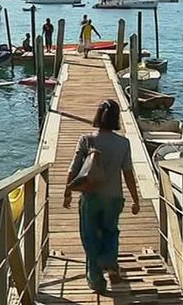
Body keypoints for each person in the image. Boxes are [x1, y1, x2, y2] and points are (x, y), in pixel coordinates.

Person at [63, 99, 139, 293]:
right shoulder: (124, 143)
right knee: (111, 231)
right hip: (114, 198)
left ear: (97, 116)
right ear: (116, 119)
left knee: (90, 237)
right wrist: (135, 199)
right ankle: (109, 259)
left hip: (91, 196)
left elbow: (73, 169)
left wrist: (67, 192)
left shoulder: (86, 140)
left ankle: (96, 280)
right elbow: (128, 173)